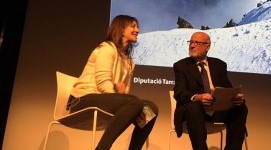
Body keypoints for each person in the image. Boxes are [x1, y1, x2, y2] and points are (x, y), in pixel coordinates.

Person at [68, 15, 158, 150]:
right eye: (133, 26)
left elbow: (124, 90)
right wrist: (124, 99)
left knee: (151, 109)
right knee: (134, 102)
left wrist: (129, 102)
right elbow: (103, 83)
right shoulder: (107, 48)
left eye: (137, 26)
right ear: (121, 29)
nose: (137, 30)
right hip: (82, 99)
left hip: (105, 100)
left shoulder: (128, 62)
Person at [173, 31, 248, 150]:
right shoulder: (181, 66)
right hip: (193, 114)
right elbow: (179, 93)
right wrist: (198, 97)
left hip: (217, 111)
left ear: (207, 46)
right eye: (191, 42)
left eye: (197, 42)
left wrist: (235, 97)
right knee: (194, 106)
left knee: (241, 107)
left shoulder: (219, 65)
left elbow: (227, 89)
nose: (192, 45)